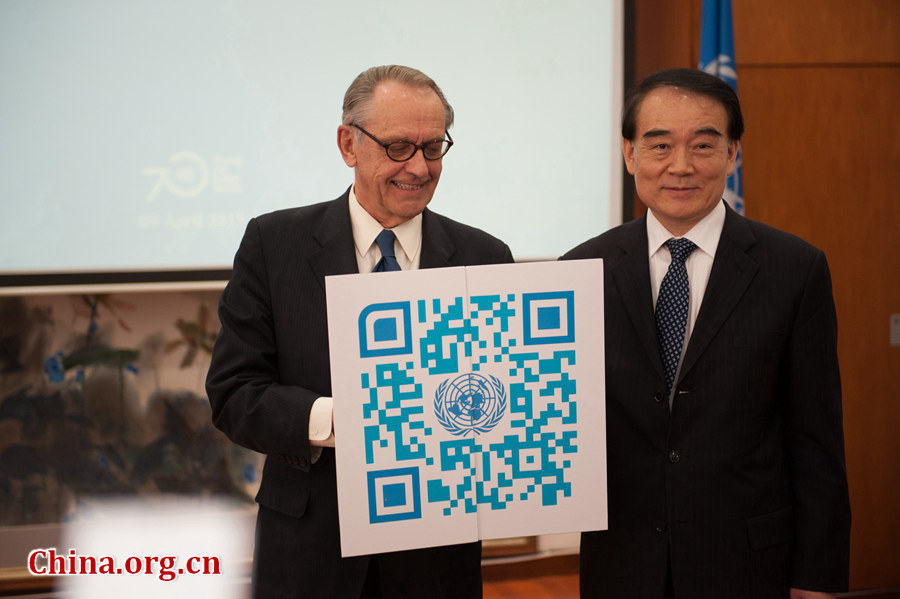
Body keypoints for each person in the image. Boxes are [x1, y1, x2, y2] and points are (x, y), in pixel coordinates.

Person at [206, 65, 514, 598]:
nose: (418, 167)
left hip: (436, 558)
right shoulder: (273, 243)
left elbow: (507, 400)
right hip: (310, 550)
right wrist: (346, 419)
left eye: (433, 147)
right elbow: (234, 394)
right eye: (398, 147)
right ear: (349, 144)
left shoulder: (484, 258)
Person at [562, 69, 850, 599]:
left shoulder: (794, 268)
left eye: (703, 145)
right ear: (629, 155)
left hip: (746, 564)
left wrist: (818, 579)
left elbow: (818, 442)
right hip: (622, 564)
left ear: (732, 153)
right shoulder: (579, 270)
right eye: (660, 145)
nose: (681, 166)